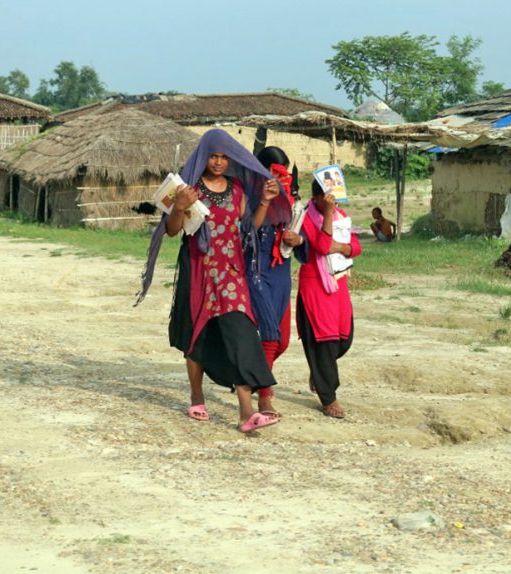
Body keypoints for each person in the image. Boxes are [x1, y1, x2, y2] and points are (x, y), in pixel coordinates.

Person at [135, 129, 290, 433]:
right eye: (213, 156)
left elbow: (249, 228)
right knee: (198, 334)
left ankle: (246, 414)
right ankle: (196, 394)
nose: (218, 162)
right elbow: (172, 231)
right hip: (200, 271)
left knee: (242, 334)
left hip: (232, 274)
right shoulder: (187, 189)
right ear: (203, 157)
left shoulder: (236, 190)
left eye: (223, 157)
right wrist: (180, 206)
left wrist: (265, 203)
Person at [294, 179, 361, 418]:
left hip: (339, 283)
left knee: (344, 338)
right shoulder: (307, 218)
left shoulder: (342, 215)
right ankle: (328, 397)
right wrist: (329, 215)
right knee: (324, 340)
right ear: (316, 197)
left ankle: (318, 370)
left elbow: (355, 246)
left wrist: (342, 248)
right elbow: (322, 246)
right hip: (315, 284)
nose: (331, 201)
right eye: (326, 197)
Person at [247, 146, 304, 417]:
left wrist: (299, 240)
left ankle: (248, 377)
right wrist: (266, 200)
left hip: (282, 273)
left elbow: (304, 249)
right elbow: (248, 231)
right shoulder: (250, 196)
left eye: (283, 173)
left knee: (281, 343)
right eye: (274, 172)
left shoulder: (295, 202)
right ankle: (264, 397)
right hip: (256, 271)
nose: (279, 178)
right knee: (269, 335)